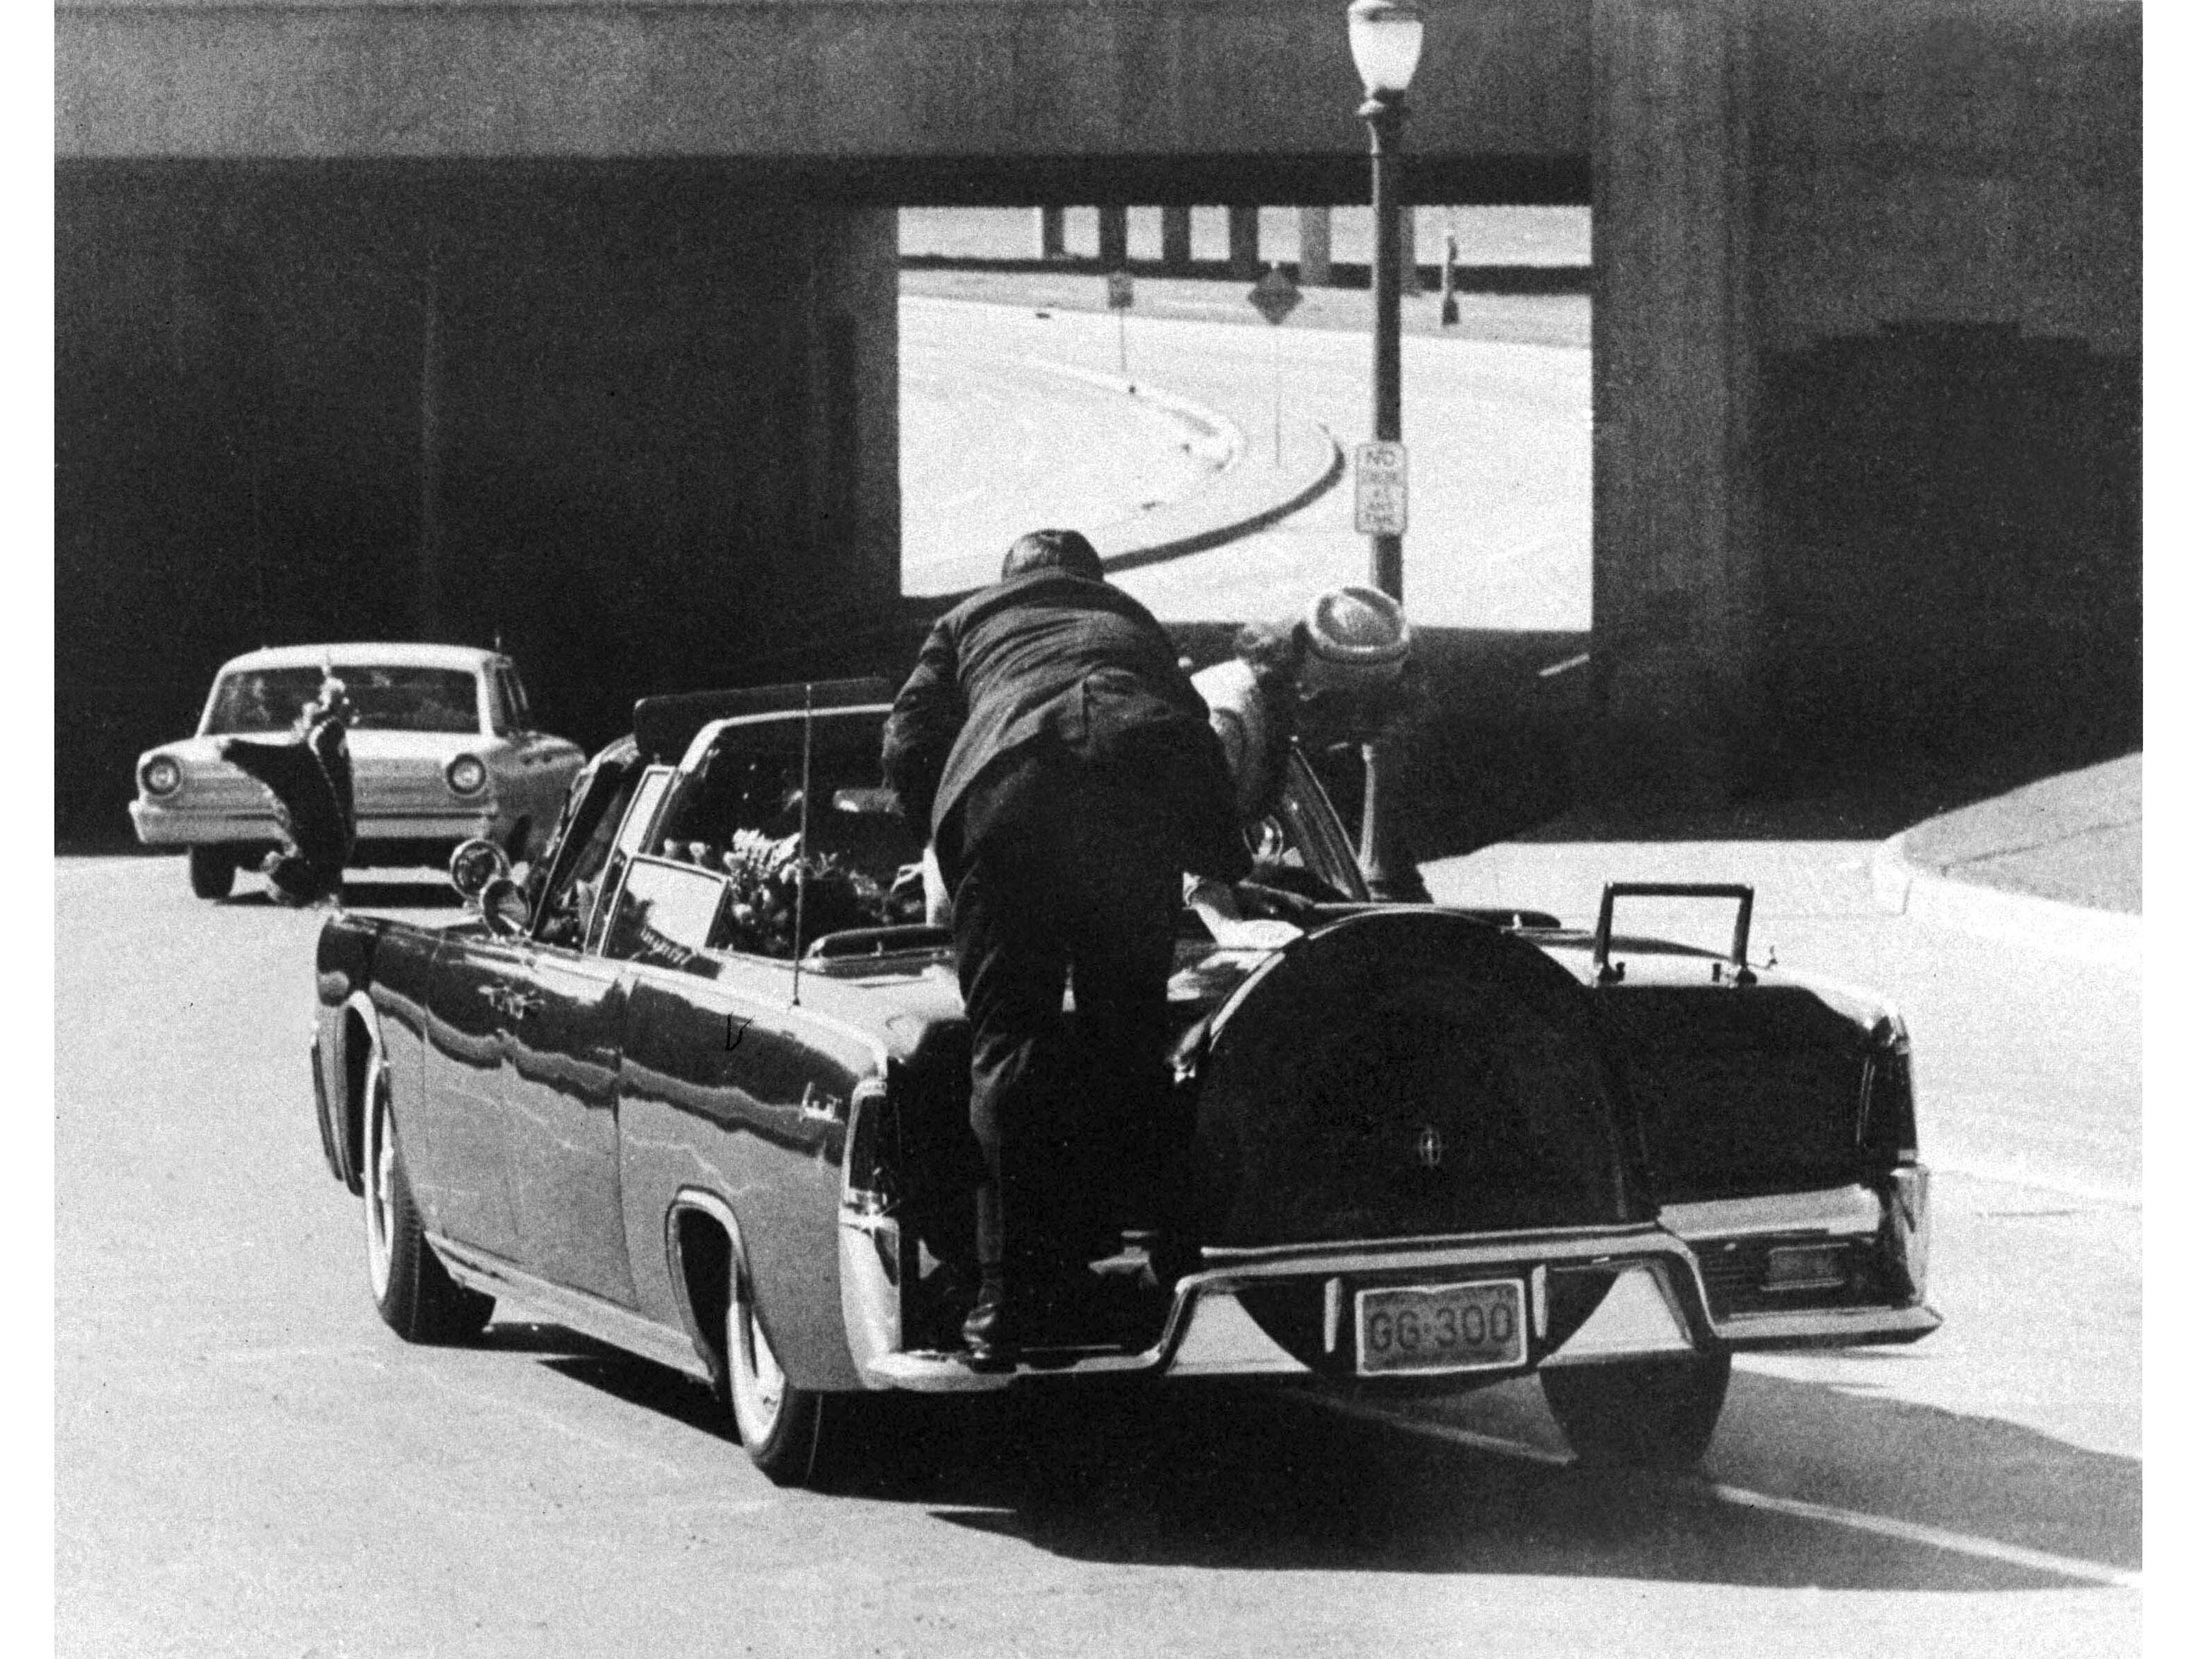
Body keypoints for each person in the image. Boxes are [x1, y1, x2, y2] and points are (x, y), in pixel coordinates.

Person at [883, 528, 1250, 1366]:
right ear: (1089, 579)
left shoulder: (967, 621)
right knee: (1134, 1042)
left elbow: (905, 741)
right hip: (1134, 802)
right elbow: (1191, 735)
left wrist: (942, 843)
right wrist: (1226, 863)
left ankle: (1005, 1307)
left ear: (1010, 578)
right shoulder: (1131, 619)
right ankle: (1168, 1275)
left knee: (1010, 1048)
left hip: (1010, 800)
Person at [219, 675, 356, 905]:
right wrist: (233, 750)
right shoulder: (317, 845)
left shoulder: (329, 857)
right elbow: (290, 769)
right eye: (280, 867)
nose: (271, 859)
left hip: (318, 764)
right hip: (316, 767)